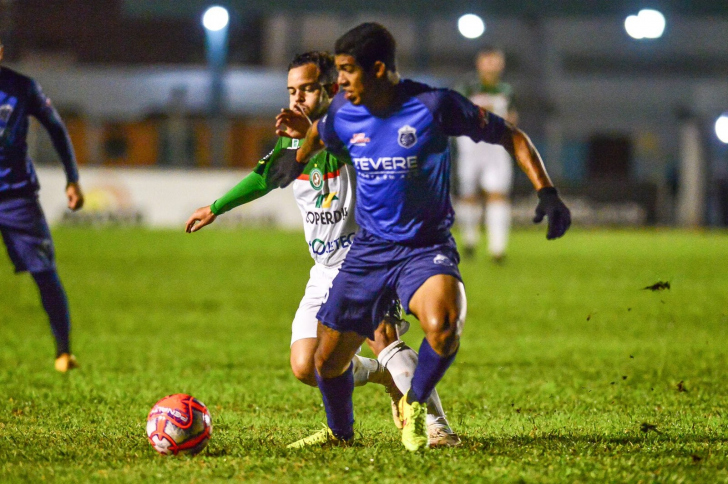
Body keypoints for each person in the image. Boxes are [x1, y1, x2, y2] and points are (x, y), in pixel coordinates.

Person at [274, 23, 571, 451]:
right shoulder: (344, 111)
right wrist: (298, 157)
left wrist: (547, 192)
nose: (338, 82)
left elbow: (511, 135)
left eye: (346, 71)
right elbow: (321, 132)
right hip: (370, 250)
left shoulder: (433, 106)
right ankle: (341, 435)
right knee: (324, 362)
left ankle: (418, 408)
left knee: (445, 325)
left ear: (377, 69)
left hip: (424, 248)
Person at [185, 51, 460, 447]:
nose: (298, 98)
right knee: (305, 365)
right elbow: (267, 176)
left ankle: (437, 428)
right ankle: (384, 376)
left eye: (308, 89)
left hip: (371, 257)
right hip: (325, 268)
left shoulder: (357, 123)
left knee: (382, 335)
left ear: (331, 89)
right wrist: (215, 208)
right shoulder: (291, 135)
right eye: (292, 90)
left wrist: (313, 132)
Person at [0, 41, 84, 372]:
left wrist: (72, 178)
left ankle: (63, 352)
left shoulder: (22, 87)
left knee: (45, 273)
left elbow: (56, 128)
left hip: (16, 197)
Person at [455, 46, 518, 262]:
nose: (491, 65)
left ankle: (497, 249)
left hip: (496, 148)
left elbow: (512, 118)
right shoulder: (466, 87)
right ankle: (470, 240)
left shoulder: (507, 90)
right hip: (470, 147)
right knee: (469, 195)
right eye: (487, 60)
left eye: (495, 61)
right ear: (479, 62)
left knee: (498, 194)